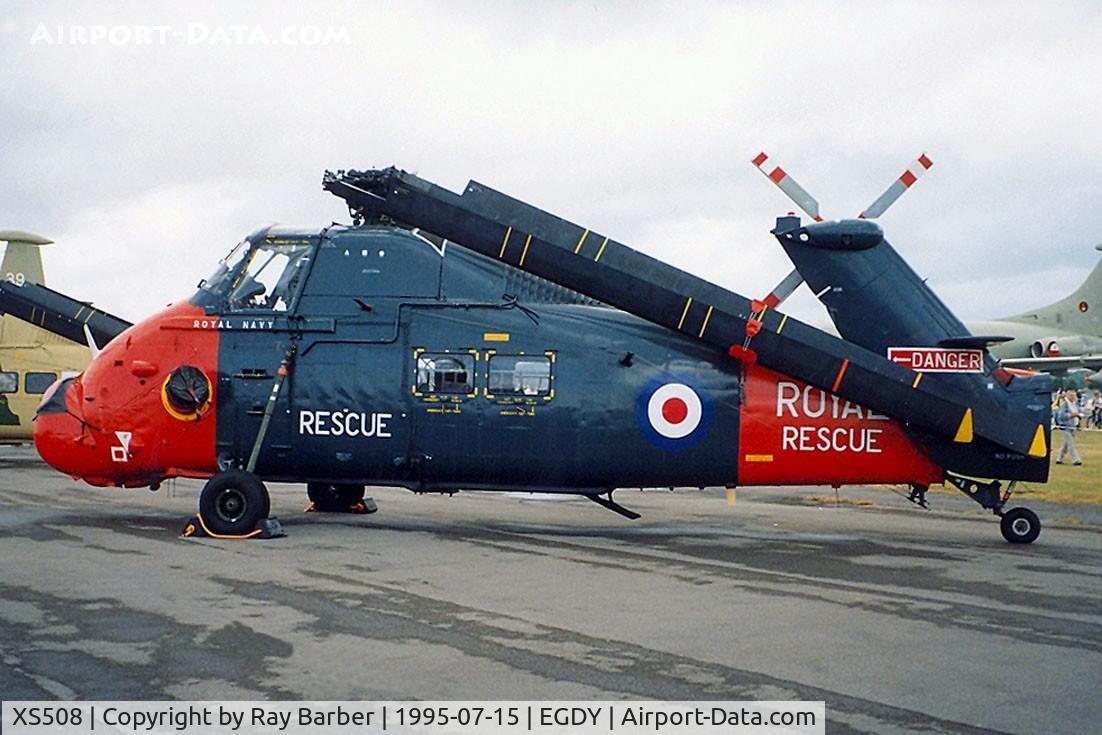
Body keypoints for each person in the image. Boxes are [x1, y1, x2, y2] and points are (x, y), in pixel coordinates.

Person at [1054, 390, 1083, 465]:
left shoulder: (1075, 404)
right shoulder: (1064, 404)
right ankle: (1076, 460)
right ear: (1068, 396)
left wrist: (1079, 421)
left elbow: (1078, 413)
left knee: (1066, 444)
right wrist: (1071, 415)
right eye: (1072, 395)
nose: (1074, 397)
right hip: (1065, 426)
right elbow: (1061, 416)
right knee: (1070, 444)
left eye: (1074, 395)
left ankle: (1059, 458)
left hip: (1073, 427)